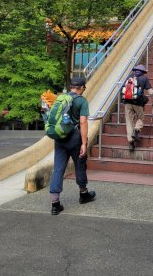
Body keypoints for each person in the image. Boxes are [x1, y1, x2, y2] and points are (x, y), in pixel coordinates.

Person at [49, 76, 96, 215]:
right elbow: (83, 123)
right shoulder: (81, 101)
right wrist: (84, 143)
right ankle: (83, 194)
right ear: (82, 88)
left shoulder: (61, 98)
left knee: (58, 169)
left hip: (60, 138)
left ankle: (55, 204)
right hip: (75, 138)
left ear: (71, 87)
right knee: (80, 165)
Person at [123, 64, 153, 151]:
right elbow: (150, 92)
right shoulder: (144, 78)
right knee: (141, 118)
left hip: (127, 102)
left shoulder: (129, 77)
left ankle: (131, 143)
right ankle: (136, 130)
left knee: (129, 121)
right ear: (143, 71)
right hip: (138, 102)